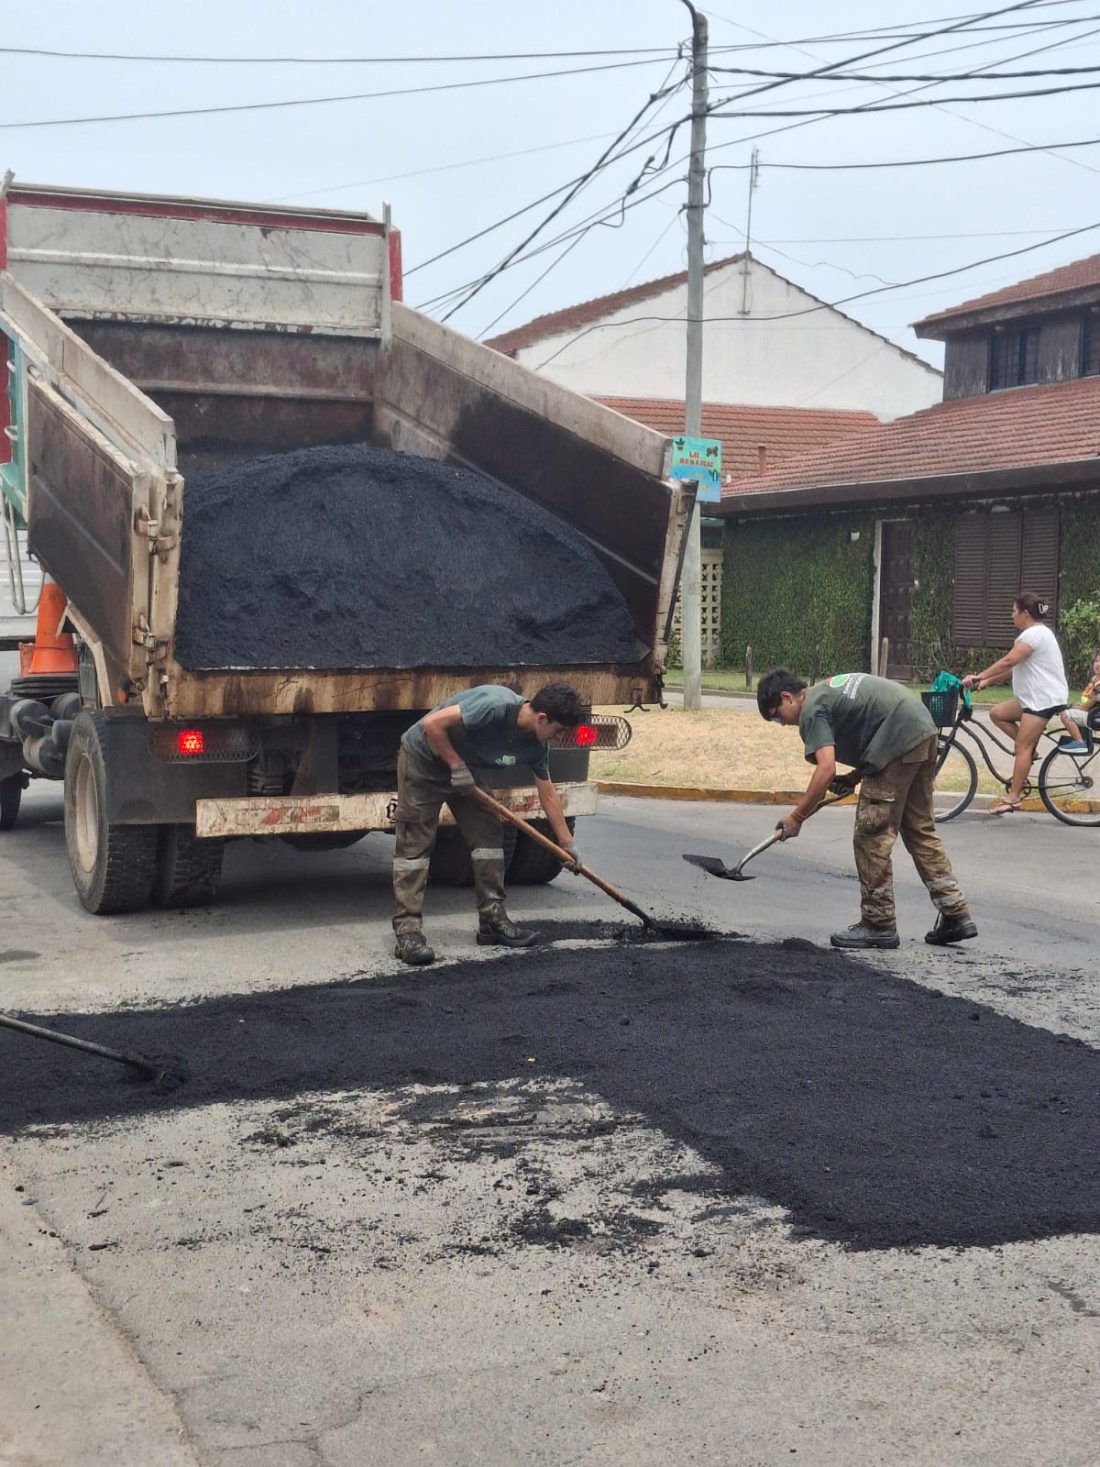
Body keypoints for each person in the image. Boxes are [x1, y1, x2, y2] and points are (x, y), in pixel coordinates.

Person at [758, 668, 976, 950]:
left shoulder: (811, 710)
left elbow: (826, 769)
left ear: (787, 697)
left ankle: (878, 923)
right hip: (922, 730)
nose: (781, 723)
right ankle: (955, 912)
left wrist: (796, 817)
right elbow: (875, 726)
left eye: (776, 715)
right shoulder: (825, 693)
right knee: (919, 830)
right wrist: (854, 777)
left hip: (898, 740)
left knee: (871, 835)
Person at [392, 682, 584, 966]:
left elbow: (548, 793)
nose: (558, 737)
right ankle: (408, 934)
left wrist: (567, 843)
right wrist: (456, 766)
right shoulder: (494, 705)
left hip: (464, 770)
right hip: (424, 760)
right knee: (415, 845)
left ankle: (492, 922)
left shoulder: (536, 746)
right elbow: (431, 725)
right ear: (542, 718)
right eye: (558, 730)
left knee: (489, 835)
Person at [960, 592, 1069, 814]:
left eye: (1013, 611)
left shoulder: (1033, 635)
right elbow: (1014, 668)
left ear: (1025, 613)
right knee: (997, 713)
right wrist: (987, 681)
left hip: (1041, 700)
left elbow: (1008, 661)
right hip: (1032, 698)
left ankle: (1013, 798)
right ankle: (1029, 752)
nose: (1012, 616)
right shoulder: (1037, 634)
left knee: (1021, 747)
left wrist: (979, 676)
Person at [1057, 647, 1100, 752]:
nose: (1097, 664)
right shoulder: (1095, 680)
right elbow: (1087, 700)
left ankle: (1079, 742)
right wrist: (1075, 706)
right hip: (1092, 714)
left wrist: (1077, 708)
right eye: (1096, 661)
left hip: (1094, 717)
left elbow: (1091, 703)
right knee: (1068, 709)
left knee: (1065, 715)